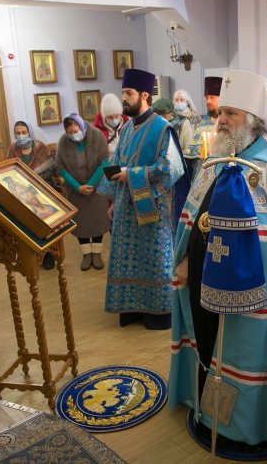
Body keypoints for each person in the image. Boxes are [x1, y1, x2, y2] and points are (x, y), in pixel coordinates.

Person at [169, 69, 267, 464]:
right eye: (221, 113)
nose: (222, 120)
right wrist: (185, 256)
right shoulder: (216, 160)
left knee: (241, 352)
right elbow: (193, 216)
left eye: (231, 113)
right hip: (203, 276)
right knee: (207, 340)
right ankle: (206, 409)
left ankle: (244, 427)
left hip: (251, 292)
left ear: (254, 120)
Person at [97, 68, 187, 330]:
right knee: (128, 258)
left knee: (153, 260)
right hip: (126, 207)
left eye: (129, 93)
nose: (123, 98)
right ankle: (131, 309)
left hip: (153, 209)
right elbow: (116, 162)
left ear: (144, 95)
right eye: (123, 93)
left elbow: (172, 168)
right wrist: (113, 200)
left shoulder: (162, 128)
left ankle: (157, 313)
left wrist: (133, 174)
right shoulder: (127, 128)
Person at [56, 113, 111, 271]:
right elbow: (61, 168)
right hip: (75, 190)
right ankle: (86, 254)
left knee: (97, 220)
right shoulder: (63, 142)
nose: (74, 135)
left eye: (76, 131)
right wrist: (78, 187)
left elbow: (104, 162)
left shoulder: (97, 136)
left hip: (96, 187)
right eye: (70, 133)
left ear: (82, 126)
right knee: (81, 223)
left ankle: (96, 254)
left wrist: (90, 185)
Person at [6, 121, 56, 269]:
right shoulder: (12, 149)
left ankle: (48, 255)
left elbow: (50, 170)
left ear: (30, 132)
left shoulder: (40, 147)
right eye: (18, 133)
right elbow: (9, 169)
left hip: (43, 191)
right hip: (22, 193)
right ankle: (34, 256)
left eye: (24, 132)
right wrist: (22, 184)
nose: (21, 135)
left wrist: (34, 182)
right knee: (29, 226)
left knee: (46, 225)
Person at [190, 77, 222, 176]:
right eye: (206, 98)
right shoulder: (203, 122)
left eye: (212, 97)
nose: (208, 101)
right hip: (200, 169)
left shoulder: (225, 122)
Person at [172, 89, 202, 175]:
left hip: (191, 154)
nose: (179, 102)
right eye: (177, 100)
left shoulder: (194, 117)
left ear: (187, 102)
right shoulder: (171, 117)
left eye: (182, 100)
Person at [93, 93, 129, 157]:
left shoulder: (128, 125)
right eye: (110, 117)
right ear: (104, 116)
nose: (114, 119)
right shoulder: (96, 130)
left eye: (116, 116)